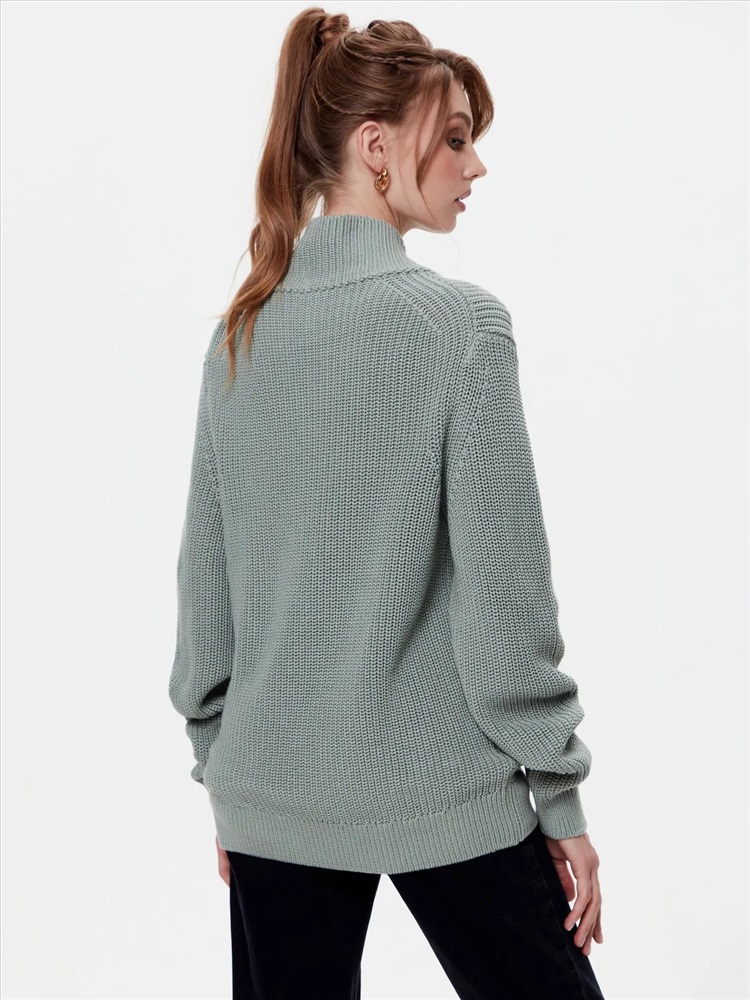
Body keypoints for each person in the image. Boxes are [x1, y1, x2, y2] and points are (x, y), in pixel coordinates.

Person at [168, 7, 606, 999]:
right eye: (453, 138)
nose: (474, 164)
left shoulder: (239, 335)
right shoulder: (462, 328)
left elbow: (207, 594)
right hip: (442, 789)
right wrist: (562, 798)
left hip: (271, 793)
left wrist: (224, 771)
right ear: (375, 148)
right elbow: (506, 604)